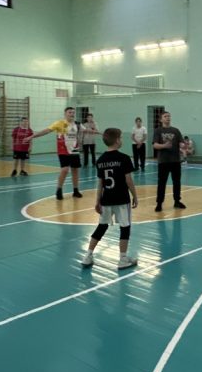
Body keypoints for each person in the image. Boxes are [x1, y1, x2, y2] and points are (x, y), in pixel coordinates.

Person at [82, 127, 139, 269]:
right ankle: (123, 259)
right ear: (117, 140)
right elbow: (128, 180)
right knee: (125, 227)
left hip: (106, 200)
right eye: (121, 137)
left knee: (102, 226)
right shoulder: (124, 158)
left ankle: (88, 256)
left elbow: (100, 183)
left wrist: (97, 201)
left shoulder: (100, 160)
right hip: (121, 199)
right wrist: (135, 195)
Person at [29, 107, 82, 200]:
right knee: (65, 170)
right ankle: (59, 189)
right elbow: (46, 131)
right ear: (65, 114)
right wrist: (32, 136)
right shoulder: (59, 123)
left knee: (75, 170)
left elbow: (86, 130)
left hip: (74, 149)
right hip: (63, 150)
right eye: (70, 112)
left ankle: (76, 190)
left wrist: (98, 132)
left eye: (73, 112)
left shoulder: (77, 124)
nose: (72, 114)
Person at [152, 111, 185, 212]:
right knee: (162, 183)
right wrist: (164, 146)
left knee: (177, 182)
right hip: (163, 161)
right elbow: (155, 145)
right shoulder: (158, 131)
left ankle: (177, 201)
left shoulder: (176, 130)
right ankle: (159, 203)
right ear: (161, 119)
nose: (168, 118)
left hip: (175, 160)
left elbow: (181, 142)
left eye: (169, 116)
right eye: (165, 116)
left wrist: (182, 145)